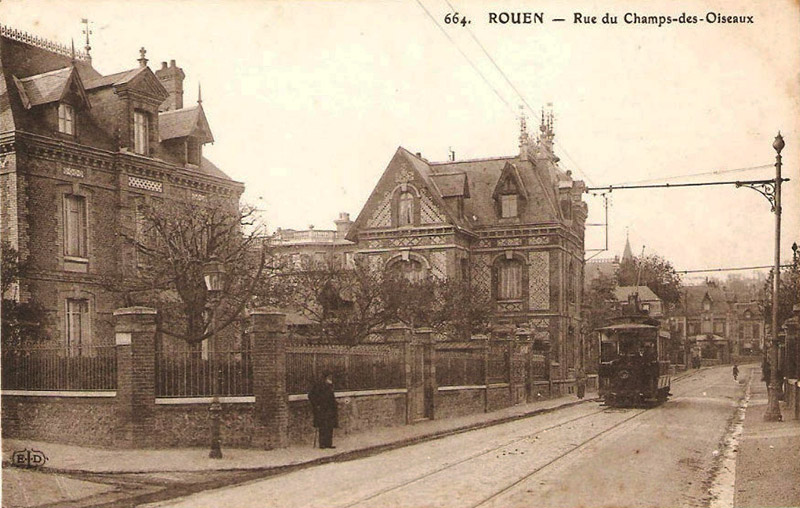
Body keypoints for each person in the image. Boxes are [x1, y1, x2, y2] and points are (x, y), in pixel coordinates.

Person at [308, 372, 338, 449]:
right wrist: (316, 405)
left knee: (330, 426)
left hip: (330, 409)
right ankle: (322, 444)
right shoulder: (318, 385)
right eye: (329, 377)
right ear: (325, 377)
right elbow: (311, 395)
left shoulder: (330, 385)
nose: (330, 378)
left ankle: (328, 443)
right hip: (322, 409)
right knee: (323, 426)